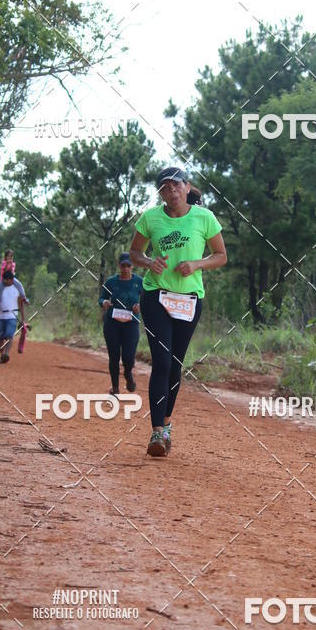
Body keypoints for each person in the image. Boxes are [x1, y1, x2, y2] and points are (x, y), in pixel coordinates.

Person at [129, 167, 227, 457]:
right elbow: (135, 253)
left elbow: (221, 256)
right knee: (161, 361)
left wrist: (197, 264)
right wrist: (150, 263)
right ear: (160, 193)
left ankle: (167, 423)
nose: (171, 191)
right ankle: (157, 431)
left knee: (174, 364)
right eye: (165, 187)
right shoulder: (150, 218)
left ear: (187, 187)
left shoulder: (204, 218)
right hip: (156, 295)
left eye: (175, 185)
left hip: (189, 299)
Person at [99, 253, 143, 394]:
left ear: (132, 266)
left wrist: (140, 306)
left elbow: (147, 300)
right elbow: (102, 298)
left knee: (128, 357)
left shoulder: (139, 282)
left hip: (131, 323)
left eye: (128, 266)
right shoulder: (111, 282)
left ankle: (128, 374)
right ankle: (115, 388)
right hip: (112, 323)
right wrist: (105, 303)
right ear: (119, 266)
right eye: (123, 266)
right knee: (114, 356)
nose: (125, 269)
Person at [0, 269, 25, 363]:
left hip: (12, 317)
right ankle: (2, 354)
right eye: (3, 279)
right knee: (0, 337)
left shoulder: (17, 289)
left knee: (9, 335)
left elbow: (21, 304)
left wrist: (23, 318)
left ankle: (6, 353)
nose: (4, 281)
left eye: (6, 280)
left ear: (11, 280)